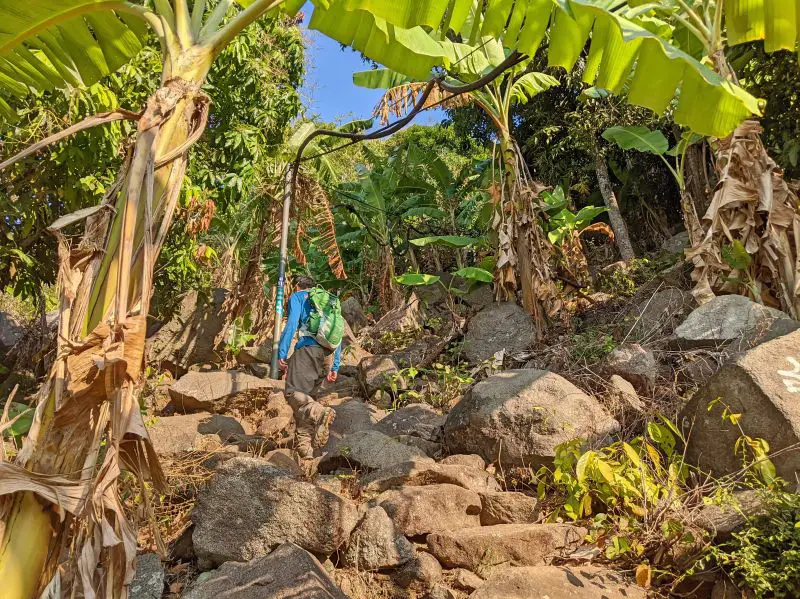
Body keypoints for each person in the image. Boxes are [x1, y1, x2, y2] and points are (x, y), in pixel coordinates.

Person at [278, 275, 341, 459]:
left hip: (308, 350)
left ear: (297, 286)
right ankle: (306, 451)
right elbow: (337, 332)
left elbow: (291, 325)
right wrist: (335, 365)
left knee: (293, 394)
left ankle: (319, 412)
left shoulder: (298, 297)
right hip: (327, 355)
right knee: (308, 398)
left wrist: (282, 352)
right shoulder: (329, 300)